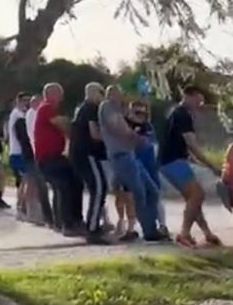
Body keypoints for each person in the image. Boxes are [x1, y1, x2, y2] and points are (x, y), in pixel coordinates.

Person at [98, 85, 164, 242]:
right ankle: (149, 231)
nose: (121, 96)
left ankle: (151, 228)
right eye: (118, 94)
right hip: (121, 156)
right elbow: (118, 129)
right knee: (139, 193)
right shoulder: (107, 107)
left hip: (129, 155)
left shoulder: (118, 111)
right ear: (110, 95)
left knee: (152, 191)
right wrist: (136, 137)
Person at [160, 84, 223, 247]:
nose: (199, 105)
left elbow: (180, 144)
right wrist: (212, 166)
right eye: (198, 100)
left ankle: (207, 233)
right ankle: (184, 233)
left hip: (171, 160)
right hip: (172, 161)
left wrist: (192, 160)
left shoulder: (176, 112)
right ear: (189, 96)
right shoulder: (182, 115)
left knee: (193, 198)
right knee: (197, 195)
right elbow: (192, 145)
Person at [33, 82, 81, 236]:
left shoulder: (49, 109)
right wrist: (70, 125)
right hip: (48, 158)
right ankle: (67, 224)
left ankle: (65, 221)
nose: (62, 98)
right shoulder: (46, 108)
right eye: (60, 94)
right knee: (64, 187)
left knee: (70, 184)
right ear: (52, 94)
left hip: (55, 156)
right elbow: (61, 124)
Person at [69, 82, 109, 244]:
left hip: (80, 154)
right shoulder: (91, 109)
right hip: (87, 154)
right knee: (99, 188)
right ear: (94, 93)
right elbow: (94, 133)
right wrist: (110, 137)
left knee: (98, 188)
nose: (102, 97)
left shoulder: (80, 108)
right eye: (101, 93)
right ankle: (92, 229)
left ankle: (94, 225)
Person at [128, 99, 168, 236]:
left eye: (142, 112)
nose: (139, 115)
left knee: (154, 195)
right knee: (135, 197)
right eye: (136, 111)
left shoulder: (147, 127)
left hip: (149, 165)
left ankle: (162, 225)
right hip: (135, 165)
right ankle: (134, 227)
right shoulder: (126, 125)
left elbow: (149, 144)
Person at [23, 94, 55, 226]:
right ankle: (46, 216)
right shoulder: (33, 114)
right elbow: (33, 135)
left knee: (35, 184)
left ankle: (34, 212)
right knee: (41, 185)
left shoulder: (31, 114)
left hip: (35, 152)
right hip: (36, 153)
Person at [7, 93, 31, 216]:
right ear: (18, 101)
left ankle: (21, 206)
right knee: (26, 180)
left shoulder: (17, 114)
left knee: (23, 181)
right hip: (18, 153)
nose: (27, 103)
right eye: (25, 101)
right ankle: (22, 207)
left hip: (16, 152)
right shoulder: (18, 115)